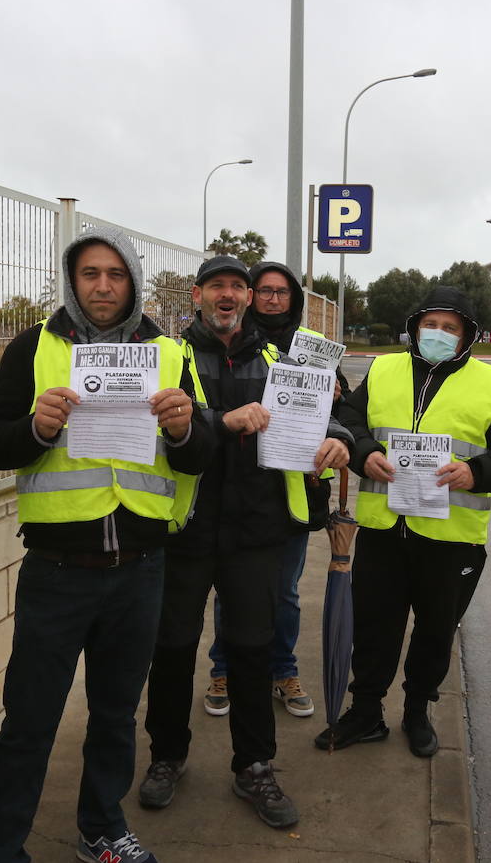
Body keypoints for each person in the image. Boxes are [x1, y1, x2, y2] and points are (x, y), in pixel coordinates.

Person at [0, 226, 212, 863]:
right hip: (57, 571)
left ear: (132, 280)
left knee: (114, 714)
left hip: (139, 568)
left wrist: (188, 429)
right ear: (72, 281)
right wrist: (34, 427)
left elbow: (203, 455)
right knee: (30, 719)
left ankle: (103, 828)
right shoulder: (31, 348)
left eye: (115, 274)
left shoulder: (169, 352)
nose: (103, 286)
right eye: (89, 274)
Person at [138, 255, 351, 829]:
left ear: (252, 297)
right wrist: (221, 420)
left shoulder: (283, 359)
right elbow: (150, 429)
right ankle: (166, 755)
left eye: (238, 286)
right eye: (217, 286)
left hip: (258, 530)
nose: (228, 295)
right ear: (197, 294)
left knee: (253, 648)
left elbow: (323, 421)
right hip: (185, 528)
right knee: (174, 646)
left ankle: (254, 764)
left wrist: (338, 440)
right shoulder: (169, 358)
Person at [319, 286, 491, 757]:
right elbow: (349, 422)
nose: (438, 333)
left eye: (450, 328)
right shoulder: (384, 369)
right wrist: (365, 452)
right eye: (430, 324)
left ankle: (417, 711)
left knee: (435, 631)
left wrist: (475, 472)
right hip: (383, 531)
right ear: (415, 327)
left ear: (468, 336)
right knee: (374, 628)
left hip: (451, 538)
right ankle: (367, 712)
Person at [201, 260, 347, 720]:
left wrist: (337, 414)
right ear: (249, 296)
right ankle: (224, 669)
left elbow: (338, 413)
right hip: (234, 491)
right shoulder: (229, 347)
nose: (273, 300)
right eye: (264, 291)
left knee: (284, 590)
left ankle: (283, 670)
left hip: (295, 489)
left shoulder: (314, 348)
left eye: (282, 293)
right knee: (234, 591)